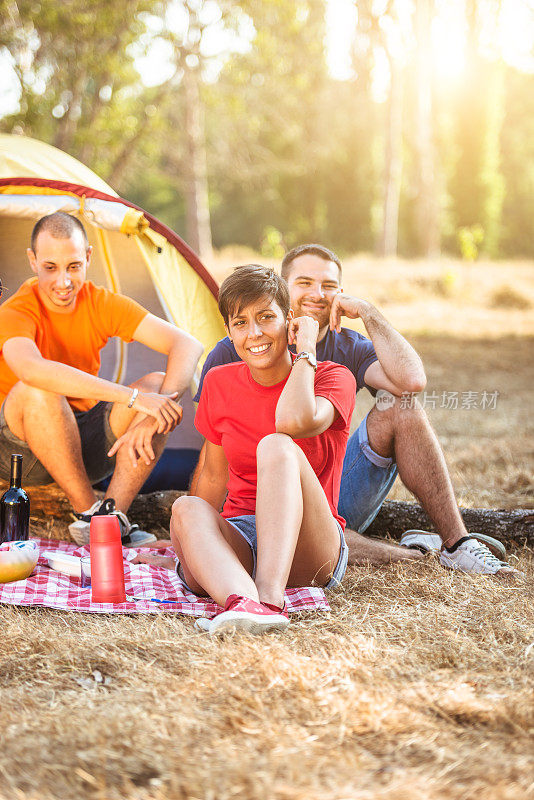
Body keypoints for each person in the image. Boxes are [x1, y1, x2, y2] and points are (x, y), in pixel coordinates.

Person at [190, 244, 516, 576]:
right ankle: (415, 553)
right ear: (283, 289)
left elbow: (412, 381)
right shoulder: (238, 348)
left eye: (328, 286)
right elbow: (211, 461)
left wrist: (367, 311)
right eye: (304, 283)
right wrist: (193, 540)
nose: (317, 294)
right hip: (259, 499)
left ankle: (457, 544)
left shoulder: (345, 345)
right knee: (291, 527)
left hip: (330, 487)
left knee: (401, 405)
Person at [170, 264, 355, 634]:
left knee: (276, 446)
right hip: (242, 535)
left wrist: (305, 349)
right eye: (240, 323)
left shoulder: (333, 377)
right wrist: (189, 537)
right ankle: (244, 602)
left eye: (266, 317)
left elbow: (291, 421)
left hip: (310, 545)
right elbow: (213, 475)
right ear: (228, 332)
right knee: (186, 508)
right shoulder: (219, 383)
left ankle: (270, 598)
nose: (253, 333)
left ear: (290, 322)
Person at [0, 212, 203, 546]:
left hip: (81, 446)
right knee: (38, 389)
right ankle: (87, 515)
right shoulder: (18, 310)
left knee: (159, 384)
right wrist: (132, 398)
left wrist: (154, 415)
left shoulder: (99, 302)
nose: (63, 281)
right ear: (32, 261)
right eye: (50, 267)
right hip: (18, 454)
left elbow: (187, 344)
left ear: (89, 257)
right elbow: (31, 370)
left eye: (74, 266)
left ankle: (112, 519)